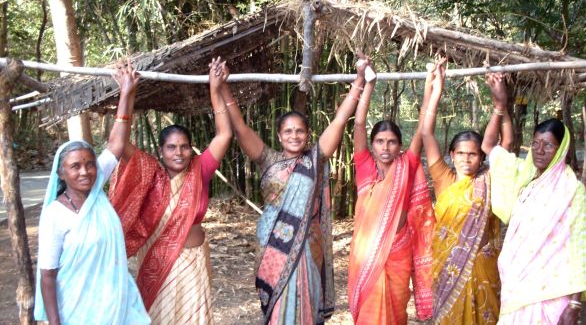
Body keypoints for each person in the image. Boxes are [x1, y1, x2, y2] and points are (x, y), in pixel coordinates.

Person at [222, 54, 373, 324]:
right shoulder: (267, 159)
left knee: (306, 302)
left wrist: (359, 81)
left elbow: (340, 120)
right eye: (288, 131)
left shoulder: (315, 158)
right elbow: (240, 126)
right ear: (279, 136)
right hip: (272, 244)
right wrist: (222, 87)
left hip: (307, 245)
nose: (294, 136)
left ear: (308, 134)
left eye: (300, 131)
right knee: (277, 306)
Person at [108, 58, 232, 324]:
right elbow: (118, 143)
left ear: (191, 148)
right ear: (161, 151)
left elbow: (224, 135)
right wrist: (127, 93)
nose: (179, 153)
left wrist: (215, 90)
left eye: (184, 146)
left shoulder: (201, 169)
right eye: (171, 148)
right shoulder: (149, 172)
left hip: (193, 264)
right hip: (156, 265)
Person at [34, 61, 150, 324]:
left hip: (113, 306)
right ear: (61, 173)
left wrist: (126, 92)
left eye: (89, 164)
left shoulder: (97, 191)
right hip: (75, 310)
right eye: (75, 166)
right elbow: (47, 275)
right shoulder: (55, 215)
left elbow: (117, 143)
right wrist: (54, 322)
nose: (85, 171)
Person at [422, 60, 512, 324]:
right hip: (447, 272)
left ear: (481, 158)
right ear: (451, 155)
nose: (466, 159)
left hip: (484, 272)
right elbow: (426, 132)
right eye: (460, 153)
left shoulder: (489, 179)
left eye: (472, 154)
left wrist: (501, 107)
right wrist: (435, 92)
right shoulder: (443, 177)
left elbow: (506, 143)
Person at [347, 57, 436, 324]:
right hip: (366, 254)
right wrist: (366, 83)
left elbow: (422, 127)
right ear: (372, 145)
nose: (385, 147)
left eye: (391, 142)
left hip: (399, 251)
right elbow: (359, 124)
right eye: (380, 142)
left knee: (396, 311)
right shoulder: (364, 167)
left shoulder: (407, 165)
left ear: (400, 146)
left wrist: (430, 86)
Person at [488, 115, 586, 324]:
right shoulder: (526, 181)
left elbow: (579, 247)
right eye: (535, 143)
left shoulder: (572, 189)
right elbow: (490, 147)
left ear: (561, 149)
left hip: (551, 292)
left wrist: (574, 304)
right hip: (516, 286)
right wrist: (499, 107)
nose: (539, 150)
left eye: (548, 145)